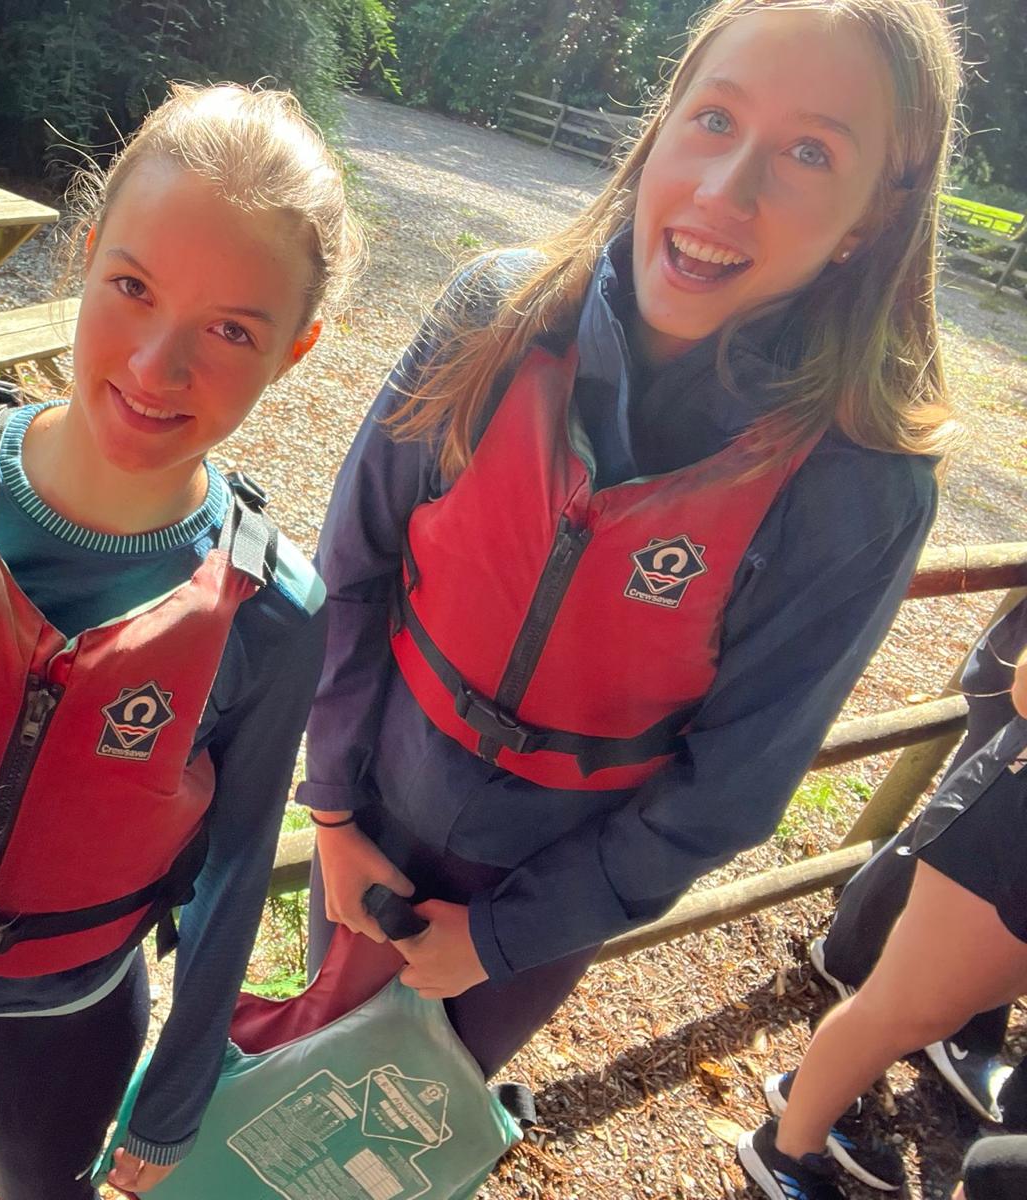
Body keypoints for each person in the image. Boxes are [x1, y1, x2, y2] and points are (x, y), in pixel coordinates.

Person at [301, 0, 958, 1108]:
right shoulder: (493, 317)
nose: (725, 192)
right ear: (662, 127)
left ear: (871, 217)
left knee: (403, 1115)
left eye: (810, 153)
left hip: (544, 892)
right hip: (370, 811)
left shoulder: (857, 489)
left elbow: (730, 786)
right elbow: (354, 570)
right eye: (715, 120)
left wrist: (502, 938)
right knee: (297, 1064)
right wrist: (329, 810)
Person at [0, 83, 362, 1198]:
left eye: (231, 330)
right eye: (133, 288)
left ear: (295, 350)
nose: (153, 368)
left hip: (73, 1001)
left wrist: (180, 1086)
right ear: (85, 256)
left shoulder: (272, 610)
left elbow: (239, 859)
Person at [742, 594, 1027, 1200]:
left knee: (944, 1008)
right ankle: (789, 1148)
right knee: (906, 1007)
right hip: (1010, 833)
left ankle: (816, 1092)